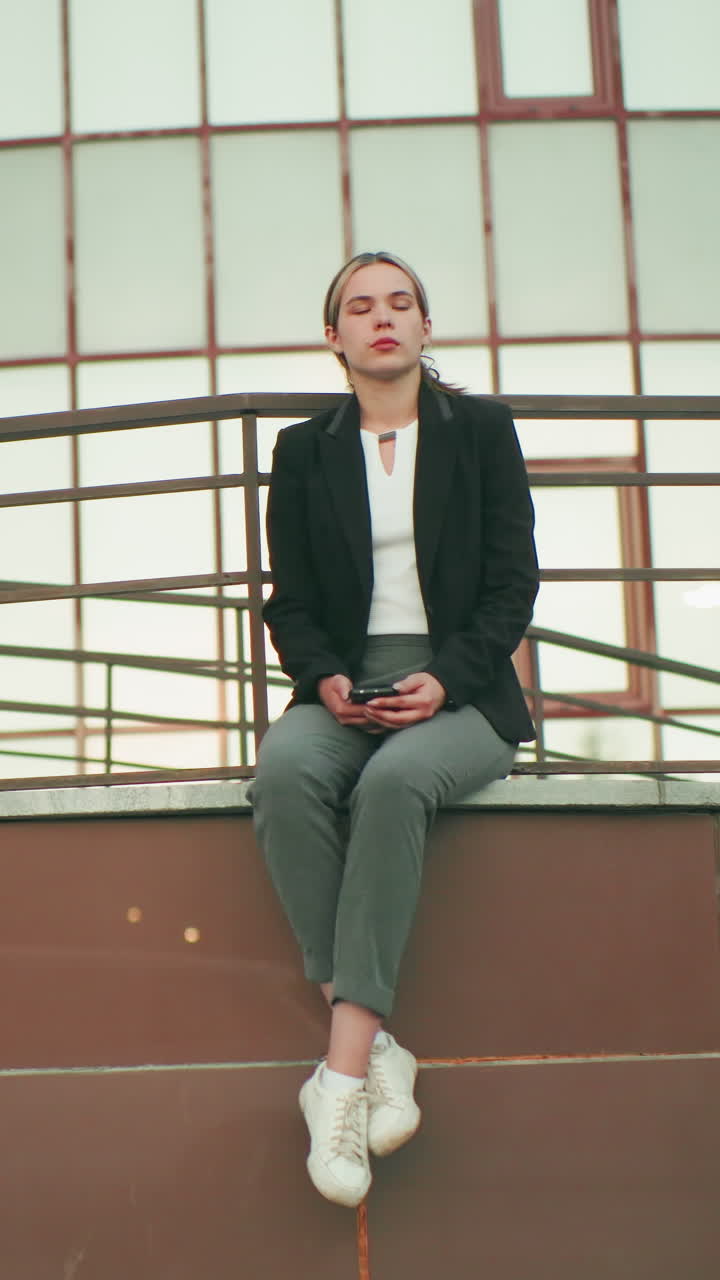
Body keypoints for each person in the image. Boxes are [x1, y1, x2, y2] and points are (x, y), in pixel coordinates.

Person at [251, 250, 539, 1207]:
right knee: (286, 773)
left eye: (401, 303)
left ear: (426, 327)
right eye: (360, 307)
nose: (383, 318)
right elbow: (288, 602)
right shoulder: (304, 450)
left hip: (463, 691)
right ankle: (379, 1047)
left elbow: (511, 588)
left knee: (391, 784)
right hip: (345, 685)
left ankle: (336, 1079)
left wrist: (444, 678)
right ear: (333, 337)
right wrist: (325, 679)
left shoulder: (483, 432)